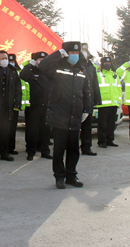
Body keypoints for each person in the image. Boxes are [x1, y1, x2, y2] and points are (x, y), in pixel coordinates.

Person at [39, 42, 92, 189]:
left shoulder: (82, 70)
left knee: (74, 149)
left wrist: (87, 109)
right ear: (66, 53)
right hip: (59, 115)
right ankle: (59, 177)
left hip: (75, 115)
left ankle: (71, 175)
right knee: (59, 149)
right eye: (71, 53)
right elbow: (43, 66)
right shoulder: (57, 68)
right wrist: (58, 53)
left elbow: (86, 91)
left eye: (76, 53)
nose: (74, 56)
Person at [20, 51, 53, 161]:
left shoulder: (49, 73)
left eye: (44, 60)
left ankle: (45, 151)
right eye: (40, 60)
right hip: (35, 106)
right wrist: (30, 64)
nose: (42, 62)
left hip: (47, 106)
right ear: (36, 61)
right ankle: (31, 152)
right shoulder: (31, 72)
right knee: (32, 131)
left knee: (45, 130)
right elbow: (22, 75)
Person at [96, 57, 122, 148]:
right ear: (102, 64)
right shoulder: (98, 74)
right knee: (102, 124)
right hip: (103, 104)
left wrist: (119, 101)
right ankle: (101, 141)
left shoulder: (114, 75)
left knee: (111, 124)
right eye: (105, 63)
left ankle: (110, 140)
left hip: (113, 103)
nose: (108, 64)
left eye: (109, 63)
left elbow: (118, 88)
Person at [80, 48, 102, 155]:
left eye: (85, 53)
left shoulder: (91, 68)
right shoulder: (75, 66)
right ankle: (70, 147)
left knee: (87, 126)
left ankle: (86, 147)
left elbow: (95, 84)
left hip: (88, 100)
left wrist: (97, 99)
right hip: (77, 100)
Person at [7, 53, 26, 155]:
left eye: (12, 61)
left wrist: (18, 104)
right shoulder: (2, 72)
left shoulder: (17, 73)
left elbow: (19, 90)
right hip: (5, 106)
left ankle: (11, 148)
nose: (11, 63)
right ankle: (3, 149)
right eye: (9, 61)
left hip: (14, 105)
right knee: (4, 129)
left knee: (12, 128)